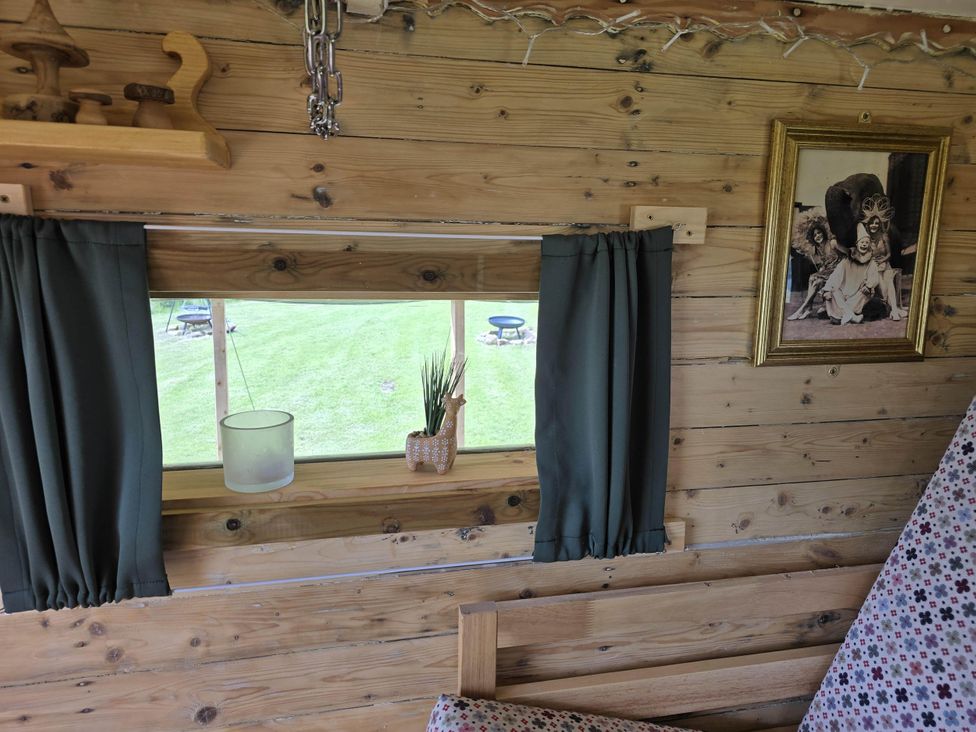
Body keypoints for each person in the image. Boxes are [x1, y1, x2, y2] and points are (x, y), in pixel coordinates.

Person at [856, 194, 907, 321]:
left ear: (880, 225)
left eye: (876, 223)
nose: (874, 225)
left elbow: (889, 254)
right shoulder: (866, 239)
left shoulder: (884, 236)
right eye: (872, 223)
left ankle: (894, 311)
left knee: (889, 281)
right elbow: (863, 254)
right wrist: (874, 262)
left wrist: (883, 260)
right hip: (874, 268)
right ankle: (894, 309)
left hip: (886, 265)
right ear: (868, 224)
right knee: (884, 290)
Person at [787, 216, 846, 321]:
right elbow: (825, 264)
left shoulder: (832, 243)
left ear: (823, 232)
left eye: (819, 233)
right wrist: (822, 268)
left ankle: (803, 308)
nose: (818, 236)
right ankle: (807, 307)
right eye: (815, 235)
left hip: (839, 273)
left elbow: (848, 255)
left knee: (815, 278)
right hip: (829, 274)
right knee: (815, 279)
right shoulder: (818, 249)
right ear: (812, 238)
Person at [821, 230, 881, 325]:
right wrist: (827, 289)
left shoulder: (871, 262)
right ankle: (852, 316)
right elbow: (835, 276)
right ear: (857, 245)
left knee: (865, 292)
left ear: (869, 245)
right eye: (862, 242)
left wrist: (869, 286)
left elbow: (874, 277)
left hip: (857, 295)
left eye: (866, 242)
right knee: (834, 292)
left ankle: (841, 314)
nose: (864, 244)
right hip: (844, 294)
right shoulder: (846, 261)